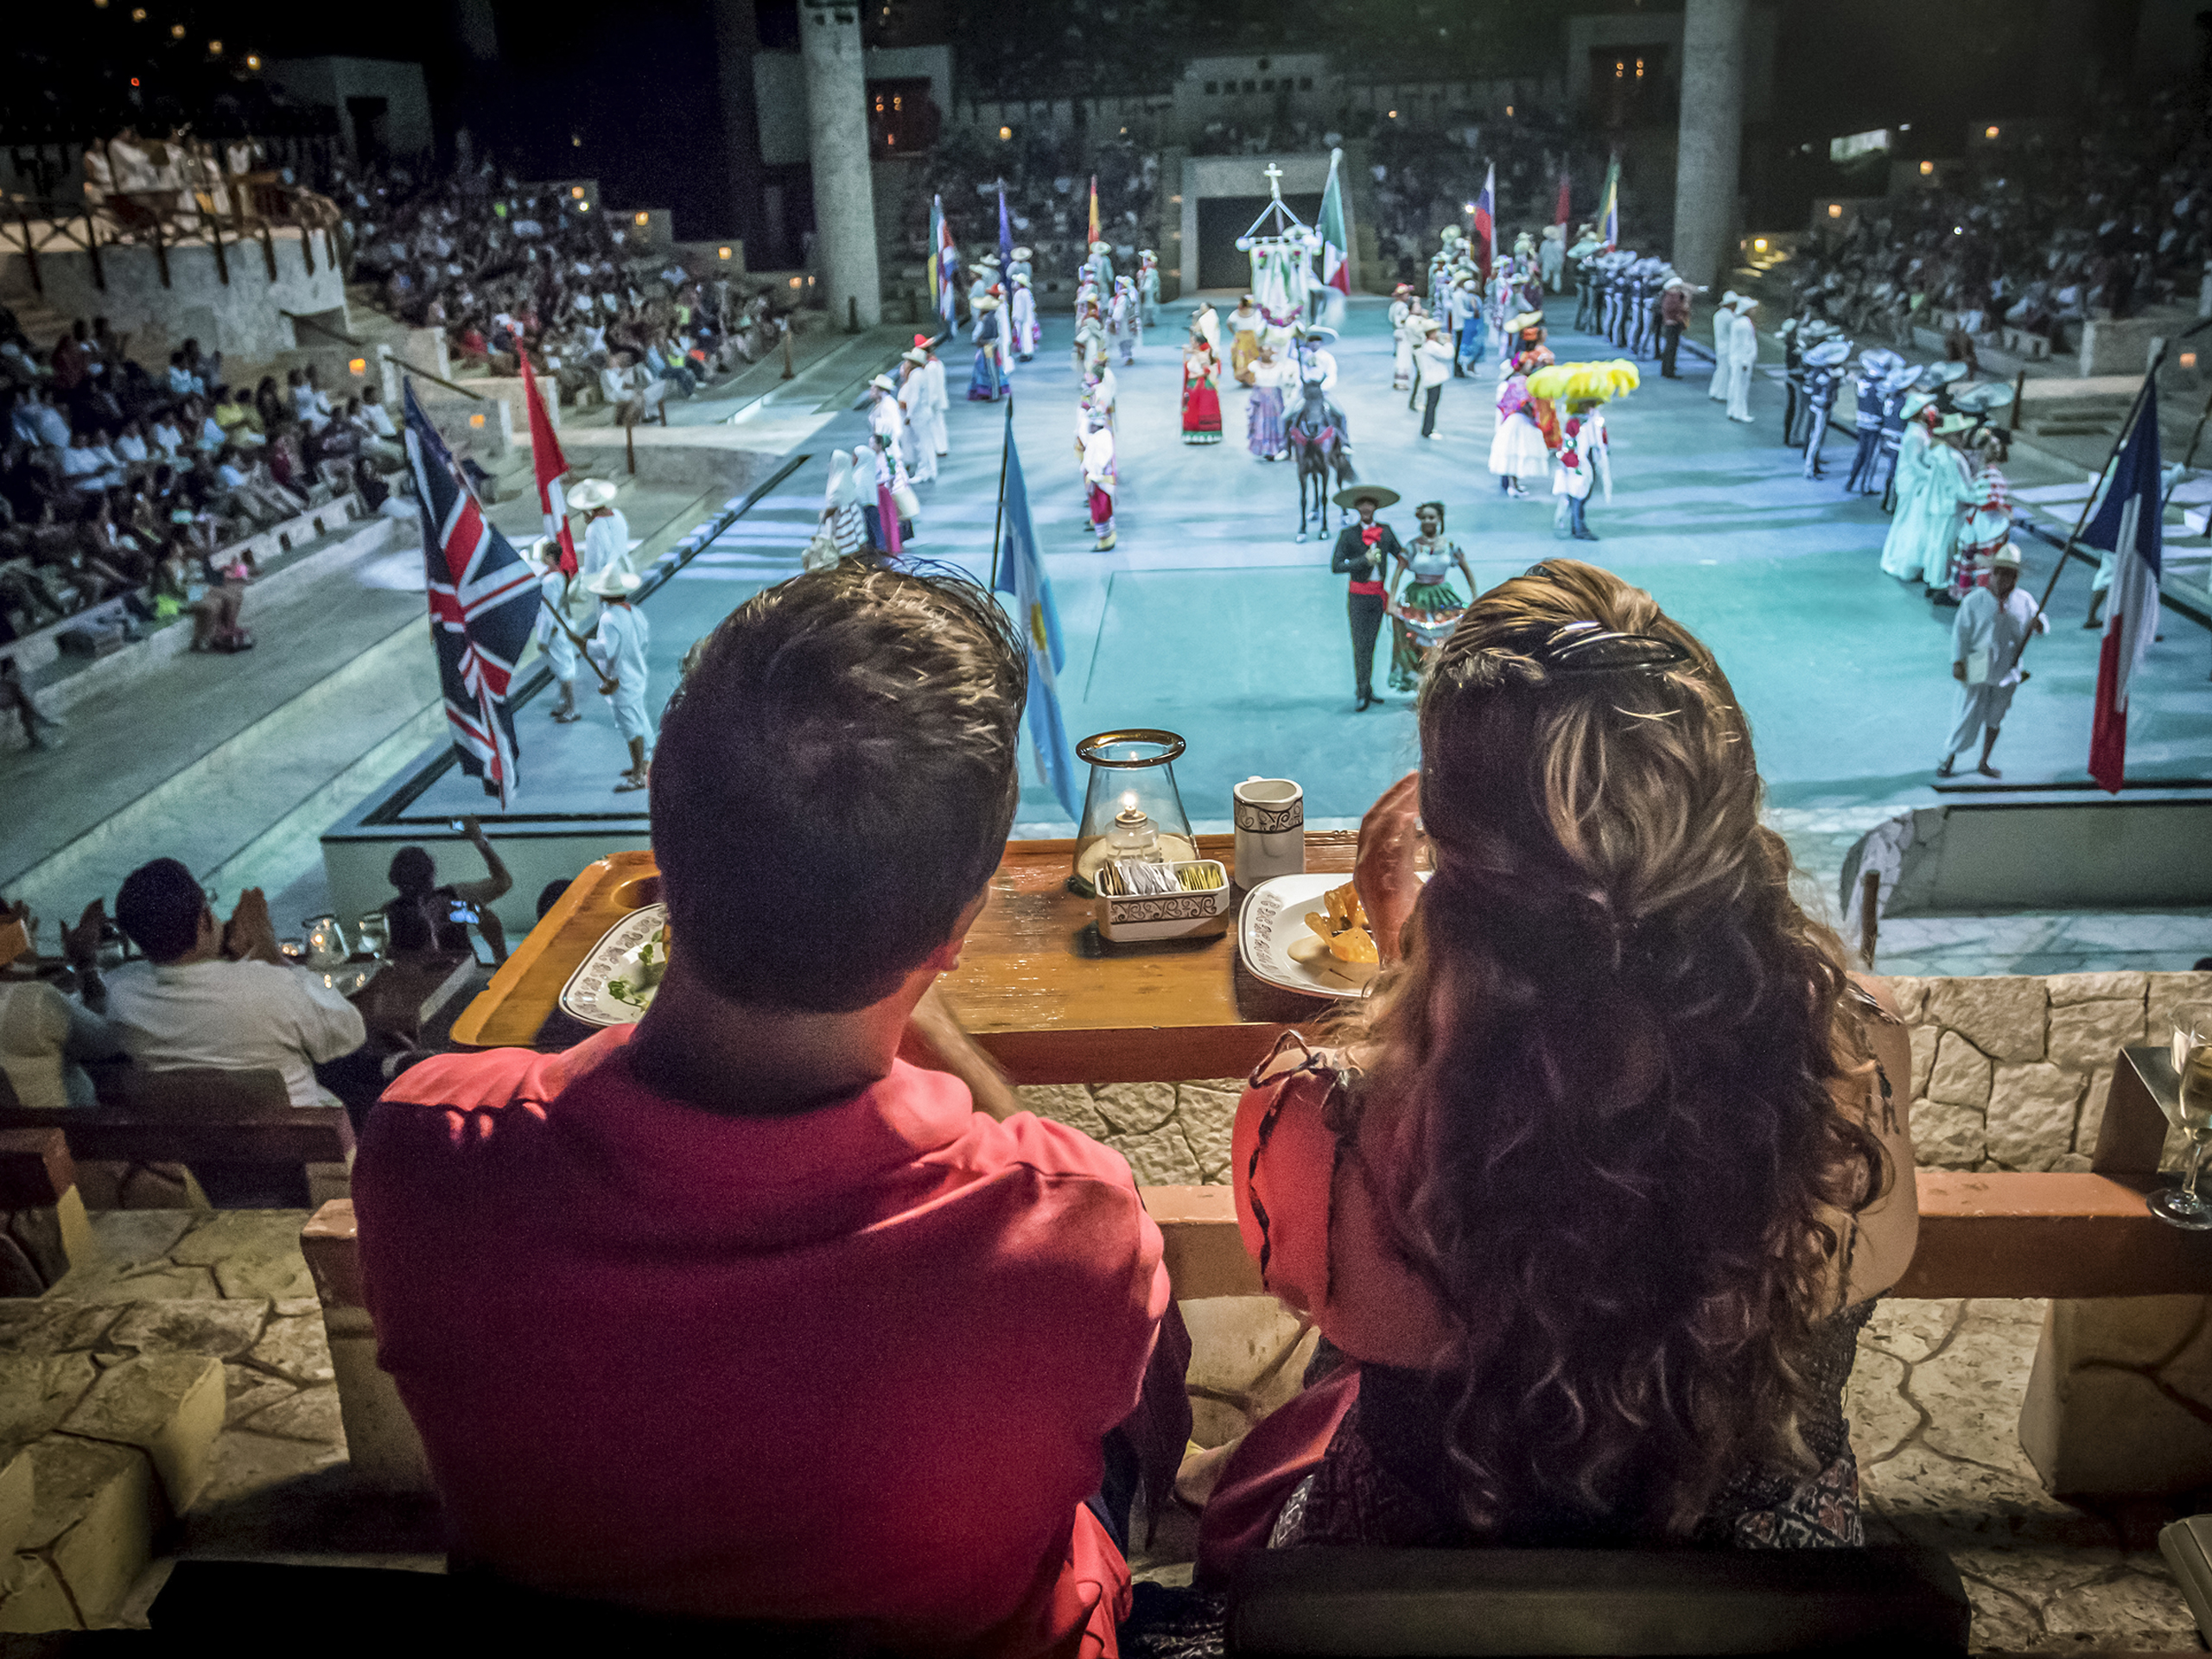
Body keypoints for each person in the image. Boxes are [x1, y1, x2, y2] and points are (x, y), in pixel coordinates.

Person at [352, 563, 1174, 1657]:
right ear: (956, 927)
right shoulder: (1068, 1220)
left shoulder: (425, 1150)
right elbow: (1133, 1416)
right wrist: (922, 1019)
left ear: (663, 845)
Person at [1192, 559, 1918, 1580]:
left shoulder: (1320, 1117)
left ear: (1454, 862)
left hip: (1406, 1601)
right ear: (1727, 820)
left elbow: (1323, 1294)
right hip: (1762, 1605)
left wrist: (1420, 975)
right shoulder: (1862, 1054)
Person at [104, 864, 368, 1109]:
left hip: (195, 1154)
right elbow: (350, 1033)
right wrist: (270, 954)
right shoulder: (270, 986)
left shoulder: (123, 1002)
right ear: (205, 920)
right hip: (299, 1151)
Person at [0, 901, 124, 1109]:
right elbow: (108, 1045)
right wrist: (86, 967)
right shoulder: (36, 1000)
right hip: (70, 1135)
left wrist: (20, 973)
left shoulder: (29, 999)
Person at [1939, 543, 2046, 778]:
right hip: (1978, 661)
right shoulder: (1974, 601)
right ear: (1993, 573)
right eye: (2001, 573)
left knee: (1996, 716)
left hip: (2009, 665)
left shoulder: (2024, 600)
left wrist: (2039, 625)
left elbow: (2040, 623)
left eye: (2011, 575)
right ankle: (1950, 757)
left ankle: (1984, 761)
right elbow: (1961, 633)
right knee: (1968, 712)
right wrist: (1958, 661)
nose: (2006, 579)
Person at [385, 818, 515, 961]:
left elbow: (501, 887)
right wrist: (478, 839)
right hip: (457, 976)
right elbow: (503, 883)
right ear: (431, 876)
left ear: (395, 880)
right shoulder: (454, 897)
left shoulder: (389, 914)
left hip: (447, 976)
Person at [1386, 500, 1476, 691]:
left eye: (1432, 517)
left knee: (1443, 641)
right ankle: (1419, 684)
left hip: (1442, 598)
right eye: (1424, 517)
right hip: (1416, 597)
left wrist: (1475, 597)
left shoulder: (1450, 546)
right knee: (1415, 641)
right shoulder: (1411, 546)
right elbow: (1398, 573)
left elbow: (1466, 570)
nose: (1428, 521)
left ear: (1439, 520)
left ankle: (1439, 684)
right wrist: (1392, 601)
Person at [1331, 486, 1403, 711]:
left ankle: (1368, 688)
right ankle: (1361, 690)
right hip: (1358, 597)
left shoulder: (1386, 531)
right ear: (1356, 508)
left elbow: (1402, 556)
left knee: (1371, 643)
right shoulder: (1348, 535)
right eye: (1362, 504)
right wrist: (1364, 560)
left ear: (1375, 507)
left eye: (1369, 504)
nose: (1365, 508)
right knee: (1360, 644)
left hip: (1378, 596)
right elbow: (1336, 566)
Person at [587, 567, 653, 791]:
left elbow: (606, 649)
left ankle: (638, 775)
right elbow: (642, 641)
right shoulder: (634, 613)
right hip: (635, 674)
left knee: (630, 726)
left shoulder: (609, 618)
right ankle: (643, 763)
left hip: (621, 680)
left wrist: (583, 644)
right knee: (639, 717)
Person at [534, 539, 583, 723]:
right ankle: (563, 703)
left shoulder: (550, 581)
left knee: (564, 671)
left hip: (555, 632)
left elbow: (549, 612)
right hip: (560, 629)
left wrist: (543, 638)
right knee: (560, 669)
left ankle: (571, 708)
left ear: (549, 557)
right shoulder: (558, 576)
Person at [1552, 397, 1610, 542]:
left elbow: (1602, 439)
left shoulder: (1595, 420)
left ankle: (1577, 526)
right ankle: (1579, 528)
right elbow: (1569, 443)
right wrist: (1573, 463)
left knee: (1582, 494)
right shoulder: (1575, 422)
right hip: (1577, 462)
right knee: (1578, 494)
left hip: (1589, 460)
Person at [1490, 369, 1550, 500]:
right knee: (1516, 454)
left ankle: (1514, 484)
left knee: (1514, 456)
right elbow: (1525, 406)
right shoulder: (1521, 386)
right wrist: (1534, 418)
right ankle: (1513, 486)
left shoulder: (1513, 384)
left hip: (1512, 421)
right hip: (1519, 422)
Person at [570, 479, 630, 583]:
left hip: (606, 577)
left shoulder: (594, 528)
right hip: (624, 569)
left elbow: (593, 560)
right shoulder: (618, 514)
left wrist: (589, 582)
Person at [1082, 404, 1118, 552]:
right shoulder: (1101, 436)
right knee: (1104, 509)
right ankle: (1108, 537)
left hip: (1099, 480)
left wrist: (1092, 476)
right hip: (1100, 479)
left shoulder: (1100, 439)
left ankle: (1105, 540)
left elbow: (1099, 460)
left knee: (1101, 510)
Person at [1247, 341, 1290, 462]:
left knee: (1275, 423)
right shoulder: (1254, 365)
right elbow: (1249, 379)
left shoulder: (1280, 366)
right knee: (1260, 423)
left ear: (1272, 352)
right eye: (1263, 350)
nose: (1265, 353)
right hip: (1260, 399)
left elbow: (1286, 380)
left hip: (1275, 399)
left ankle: (1276, 448)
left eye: (1268, 350)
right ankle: (1263, 448)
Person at [1181, 324, 1224, 446]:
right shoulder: (1196, 354)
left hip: (1202, 386)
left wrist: (1195, 376)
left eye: (1193, 341)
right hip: (1192, 387)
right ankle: (1192, 432)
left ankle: (1206, 433)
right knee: (1191, 409)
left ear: (1197, 343)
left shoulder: (1203, 355)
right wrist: (1185, 353)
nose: (1191, 343)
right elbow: (1187, 365)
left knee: (1202, 409)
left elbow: (1206, 370)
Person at [1413, 319, 1452, 441]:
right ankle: (1428, 430)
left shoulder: (1428, 345)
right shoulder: (1431, 346)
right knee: (1431, 405)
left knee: (1431, 404)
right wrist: (1449, 343)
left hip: (1432, 379)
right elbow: (1448, 354)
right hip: (1433, 380)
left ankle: (1429, 428)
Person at [968, 293, 1007, 402]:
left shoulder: (984, 319)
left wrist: (979, 340)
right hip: (994, 345)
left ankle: (994, 395)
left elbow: (978, 334)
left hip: (987, 347)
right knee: (995, 370)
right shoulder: (993, 317)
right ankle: (996, 392)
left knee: (990, 371)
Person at [1726, 297, 1758, 423]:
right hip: (1742, 360)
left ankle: (1732, 410)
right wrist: (1746, 361)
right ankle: (1740, 413)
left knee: (1734, 385)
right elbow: (1746, 344)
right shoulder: (1745, 324)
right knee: (1741, 387)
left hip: (1735, 358)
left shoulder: (1737, 322)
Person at [1707, 291, 1738, 403]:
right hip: (1728, 347)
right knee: (1725, 371)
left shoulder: (1718, 315)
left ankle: (1714, 391)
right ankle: (1722, 393)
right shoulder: (1730, 317)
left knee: (1720, 370)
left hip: (1720, 346)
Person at [1659, 278, 1692, 378]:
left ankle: (1667, 369)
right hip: (1673, 325)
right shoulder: (1673, 298)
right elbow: (1683, 308)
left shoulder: (1668, 296)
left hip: (1670, 324)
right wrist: (1687, 298)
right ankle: (1669, 371)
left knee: (1669, 348)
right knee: (1671, 348)